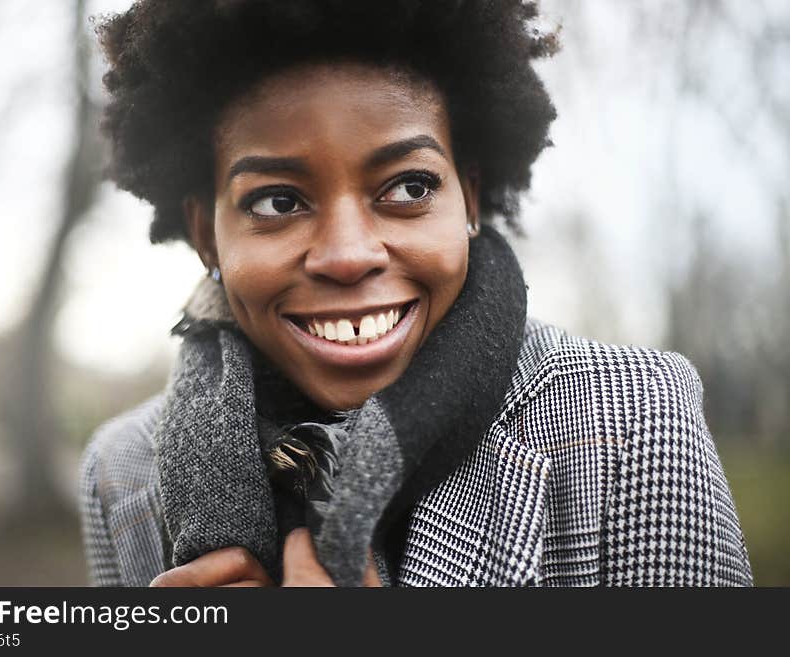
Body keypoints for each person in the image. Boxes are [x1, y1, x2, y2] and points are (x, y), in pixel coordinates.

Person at [78, 0, 753, 587]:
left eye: (409, 187)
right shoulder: (121, 470)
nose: (348, 254)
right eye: (278, 200)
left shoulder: (634, 421)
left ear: (471, 195)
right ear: (206, 233)